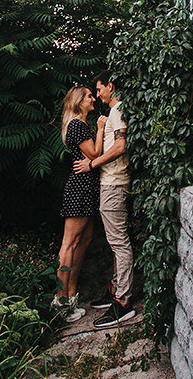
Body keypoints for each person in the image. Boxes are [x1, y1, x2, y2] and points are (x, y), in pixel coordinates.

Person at [73, 70, 137, 328]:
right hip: (110, 183)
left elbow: (121, 146)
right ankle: (116, 292)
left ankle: (123, 303)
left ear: (111, 86)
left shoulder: (119, 109)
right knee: (115, 242)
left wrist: (92, 163)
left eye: (99, 89)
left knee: (119, 243)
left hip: (114, 183)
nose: (97, 95)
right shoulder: (113, 112)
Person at [53, 85, 104, 322]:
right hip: (79, 188)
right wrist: (102, 129)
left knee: (84, 240)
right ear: (78, 102)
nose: (93, 99)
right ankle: (60, 301)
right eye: (89, 96)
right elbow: (94, 154)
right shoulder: (76, 125)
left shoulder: (82, 125)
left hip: (87, 187)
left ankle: (71, 295)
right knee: (70, 243)